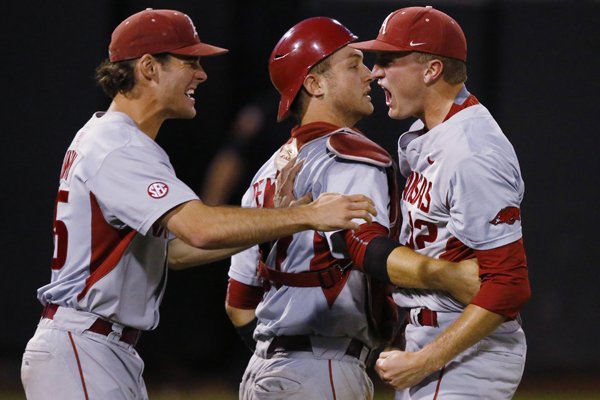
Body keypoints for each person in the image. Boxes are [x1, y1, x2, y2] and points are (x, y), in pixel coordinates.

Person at [19, 9, 379, 400]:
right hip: (84, 344)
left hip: (95, 345)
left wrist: (286, 221)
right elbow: (200, 229)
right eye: (189, 62)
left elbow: (175, 251)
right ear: (148, 67)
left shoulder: (116, 138)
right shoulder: (118, 144)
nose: (201, 74)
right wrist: (307, 214)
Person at [225, 17, 479, 400]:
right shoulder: (351, 155)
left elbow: (238, 304)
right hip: (322, 369)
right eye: (353, 64)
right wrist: (448, 276)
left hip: (263, 370)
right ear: (314, 84)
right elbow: (363, 247)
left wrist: (280, 360)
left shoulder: (266, 172)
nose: (370, 75)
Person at [350, 5, 532, 399]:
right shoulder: (434, 134)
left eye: (388, 60)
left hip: (466, 351)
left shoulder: (472, 151)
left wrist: (424, 360)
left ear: (431, 70)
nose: (376, 72)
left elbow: (510, 285)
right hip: (437, 337)